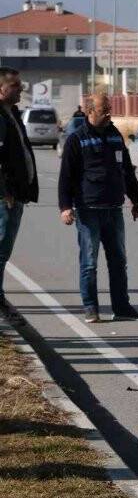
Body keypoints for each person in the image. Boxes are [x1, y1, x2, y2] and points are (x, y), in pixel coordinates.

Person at [57, 93, 138, 323]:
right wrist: (66, 206)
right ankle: (91, 308)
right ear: (90, 112)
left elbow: (127, 170)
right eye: (103, 110)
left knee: (118, 261)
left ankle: (122, 307)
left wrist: (136, 200)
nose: (109, 114)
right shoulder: (77, 139)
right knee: (89, 262)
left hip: (113, 209)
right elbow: (66, 177)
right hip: (88, 209)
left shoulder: (115, 135)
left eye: (109, 109)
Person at [0, 67, 38, 326]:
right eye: (15, 85)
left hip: (16, 195)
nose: (21, 89)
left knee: (4, 251)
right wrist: (4, 192)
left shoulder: (12, 113)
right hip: (5, 198)